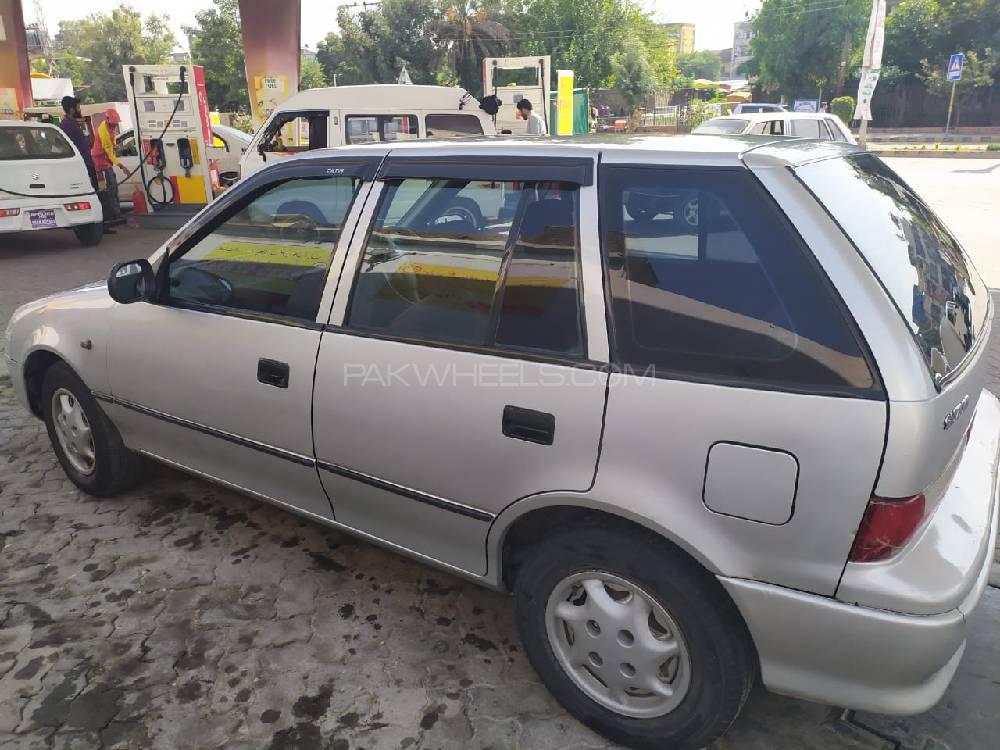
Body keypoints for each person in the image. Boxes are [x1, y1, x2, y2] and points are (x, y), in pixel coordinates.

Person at [91, 108, 129, 231]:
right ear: (108, 120)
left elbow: (112, 144)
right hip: (100, 162)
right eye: (114, 123)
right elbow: (109, 153)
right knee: (109, 189)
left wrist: (116, 145)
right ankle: (112, 216)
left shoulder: (110, 127)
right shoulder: (103, 132)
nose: (116, 125)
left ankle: (116, 213)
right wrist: (121, 166)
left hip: (106, 161)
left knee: (114, 188)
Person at [58, 96, 96, 189]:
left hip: (86, 163)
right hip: (81, 166)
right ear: (72, 110)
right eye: (78, 108)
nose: (80, 110)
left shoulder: (73, 123)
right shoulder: (66, 125)